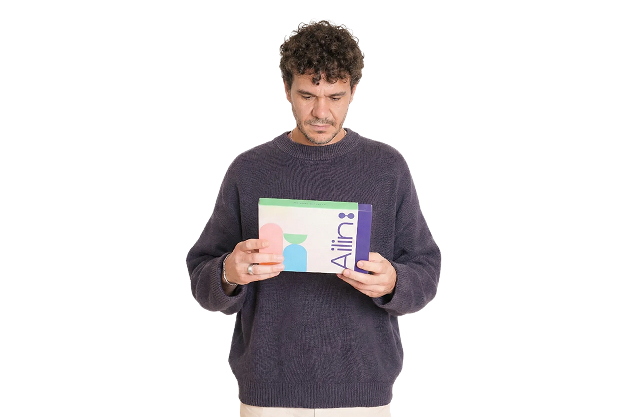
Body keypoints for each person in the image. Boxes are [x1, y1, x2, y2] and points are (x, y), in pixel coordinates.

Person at [186, 20, 441, 417]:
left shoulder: (386, 168)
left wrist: (394, 282)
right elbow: (203, 274)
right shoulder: (249, 170)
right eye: (307, 95)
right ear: (286, 89)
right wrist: (228, 273)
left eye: (336, 96)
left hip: (363, 391)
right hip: (268, 391)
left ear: (354, 91)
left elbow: (426, 268)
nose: (321, 112)